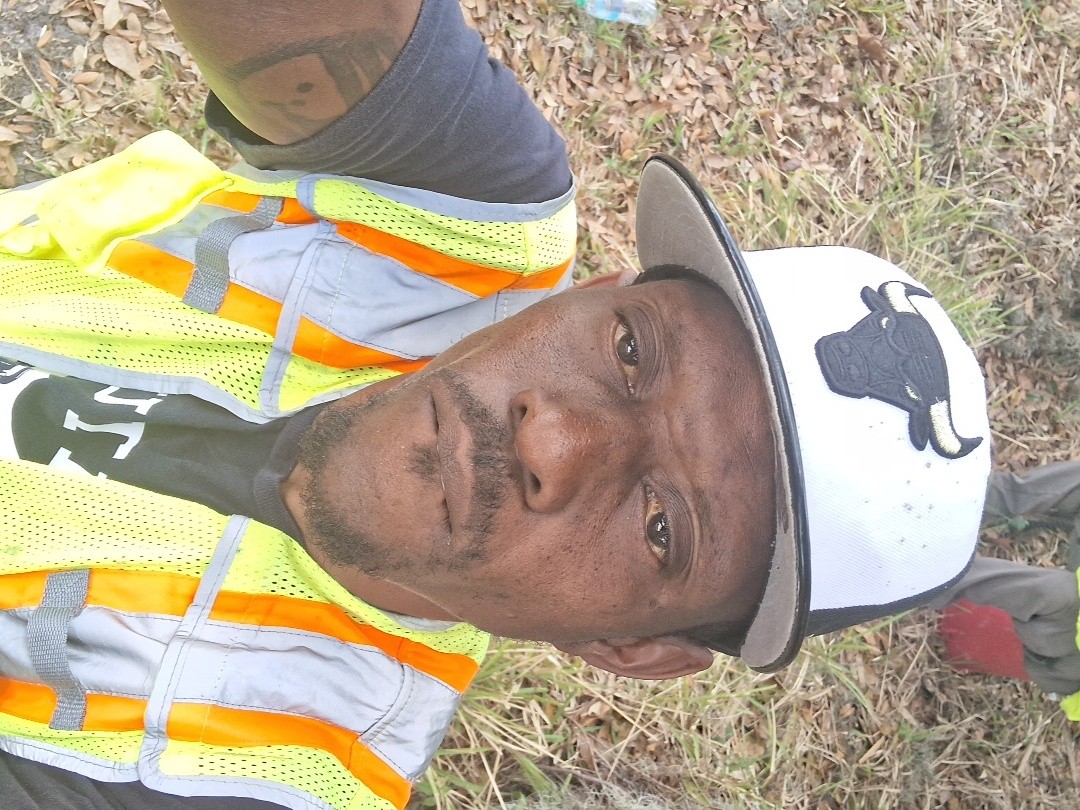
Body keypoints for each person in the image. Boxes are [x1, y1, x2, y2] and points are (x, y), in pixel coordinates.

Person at [0, 0, 1017, 808]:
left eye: (662, 527)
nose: (556, 438)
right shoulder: (464, 225)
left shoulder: (251, 767)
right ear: (595, 290)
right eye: (630, 349)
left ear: (629, 652)